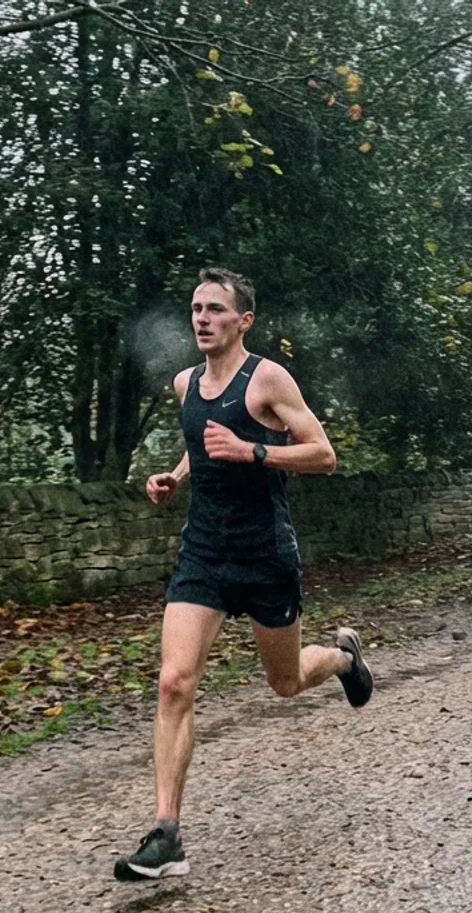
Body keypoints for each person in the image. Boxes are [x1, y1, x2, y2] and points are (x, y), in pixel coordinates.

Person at [115, 266, 373, 882]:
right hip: (203, 552)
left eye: (216, 310)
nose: (202, 319)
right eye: (196, 309)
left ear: (243, 321)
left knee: (284, 683)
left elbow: (323, 453)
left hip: (264, 555)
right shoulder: (185, 384)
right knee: (173, 683)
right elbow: (202, 442)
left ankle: (342, 659)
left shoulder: (268, 380)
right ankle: (165, 833)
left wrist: (255, 450)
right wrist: (175, 477)